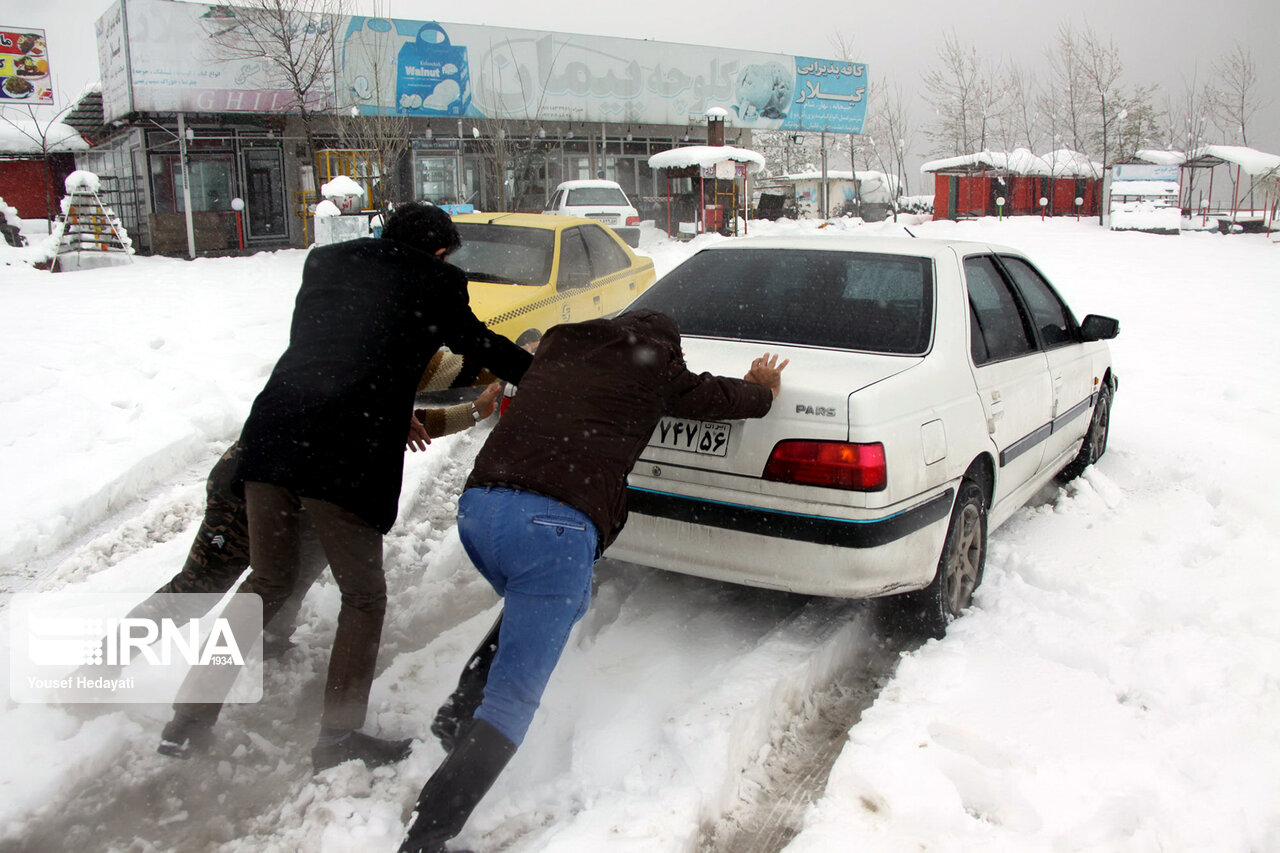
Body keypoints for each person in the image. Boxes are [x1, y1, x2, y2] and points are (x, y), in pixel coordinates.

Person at [157, 202, 532, 773]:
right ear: (436, 250)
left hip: (274, 434)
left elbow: (339, 347)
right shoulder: (436, 278)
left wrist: (383, 399)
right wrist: (541, 370)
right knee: (363, 596)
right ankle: (337, 738)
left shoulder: (326, 263)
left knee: (265, 582)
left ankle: (186, 721)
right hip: (341, 451)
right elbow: (475, 344)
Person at [397, 309, 787, 853]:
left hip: (480, 510)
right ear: (665, 347)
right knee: (513, 701)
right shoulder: (657, 364)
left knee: (549, 602)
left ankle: (458, 713)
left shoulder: (561, 346)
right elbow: (717, 400)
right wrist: (762, 391)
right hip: (554, 526)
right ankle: (428, 834)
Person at [132, 366, 504, 666]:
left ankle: (271, 639)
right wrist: (509, 361)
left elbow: (406, 425)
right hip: (258, 480)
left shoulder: (379, 357)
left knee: (304, 564)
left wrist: (474, 409)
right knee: (200, 587)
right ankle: (104, 664)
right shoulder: (372, 343)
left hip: (320, 489)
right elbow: (442, 372)